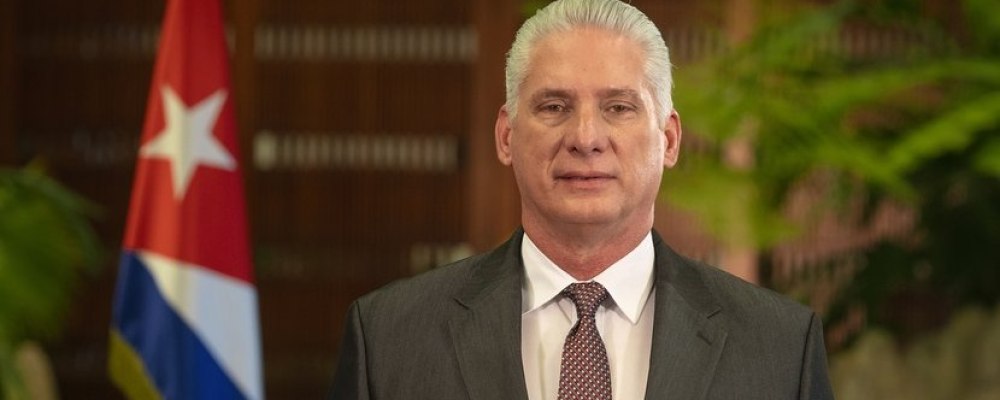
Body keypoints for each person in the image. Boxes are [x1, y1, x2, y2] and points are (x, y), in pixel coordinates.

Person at [330, 0, 834, 398]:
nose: (586, 138)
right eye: (554, 106)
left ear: (669, 139)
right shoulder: (389, 338)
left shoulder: (780, 347)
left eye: (618, 107)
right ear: (506, 136)